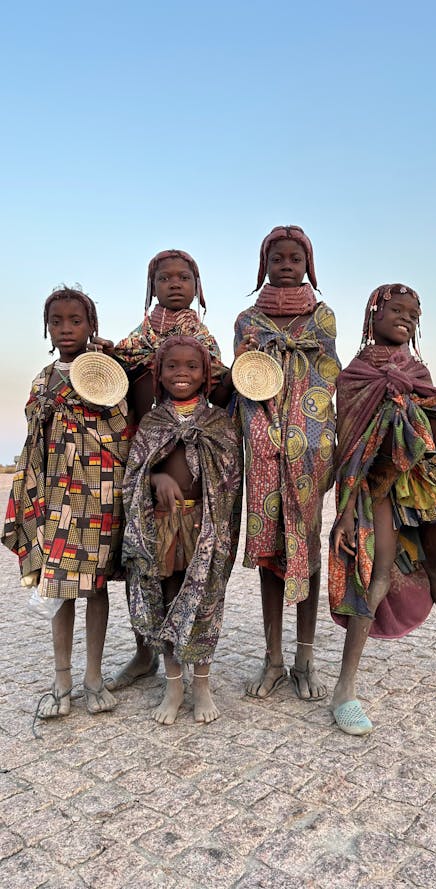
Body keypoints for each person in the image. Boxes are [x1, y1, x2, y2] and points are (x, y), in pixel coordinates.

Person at [329, 283, 436, 736]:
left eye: (413, 312)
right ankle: (344, 689)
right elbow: (350, 450)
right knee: (377, 573)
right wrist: (345, 514)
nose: (405, 318)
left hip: (425, 484)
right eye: (396, 310)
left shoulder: (419, 372)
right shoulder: (356, 376)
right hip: (379, 487)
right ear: (373, 315)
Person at [100, 249, 236, 691]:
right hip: (139, 450)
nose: (174, 284)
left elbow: (221, 396)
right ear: (151, 285)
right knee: (141, 558)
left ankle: (189, 663)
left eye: (184, 277)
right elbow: (109, 380)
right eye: (164, 278)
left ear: (198, 286)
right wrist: (103, 355)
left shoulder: (206, 344)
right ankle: (145, 653)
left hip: (189, 465)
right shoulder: (133, 342)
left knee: (186, 567)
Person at [2, 285, 130, 726]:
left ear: (91, 324)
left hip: (99, 492)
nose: (66, 329)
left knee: (94, 586)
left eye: (76, 321)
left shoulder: (106, 374)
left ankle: (93, 679)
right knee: (58, 587)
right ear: (47, 327)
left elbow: (121, 428)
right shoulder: (42, 379)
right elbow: (34, 438)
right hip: (56, 496)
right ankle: (61, 681)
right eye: (57, 321)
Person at [234, 225, 341, 700]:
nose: (285, 263)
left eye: (294, 257)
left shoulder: (323, 318)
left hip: (309, 450)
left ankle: (305, 659)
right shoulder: (247, 320)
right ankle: (273, 659)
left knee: (308, 550)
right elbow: (244, 381)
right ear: (264, 263)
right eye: (277, 257)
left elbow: (326, 379)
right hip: (264, 451)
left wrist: (307, 438)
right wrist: (263, 435)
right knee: (270, 554)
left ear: (308, 264)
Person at [121, 336, 242, 724]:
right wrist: (155, 476)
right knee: (166, 600)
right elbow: (134, 472)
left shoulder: (218, 423)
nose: (182, 373)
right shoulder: (153, 423)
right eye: (172, 366)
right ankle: (173, 685)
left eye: (191, 366)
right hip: (162, 530)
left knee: (205, 605)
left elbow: (230, 480)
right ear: (159, 374)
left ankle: (202, 685)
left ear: (206, 374)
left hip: (204, 532)